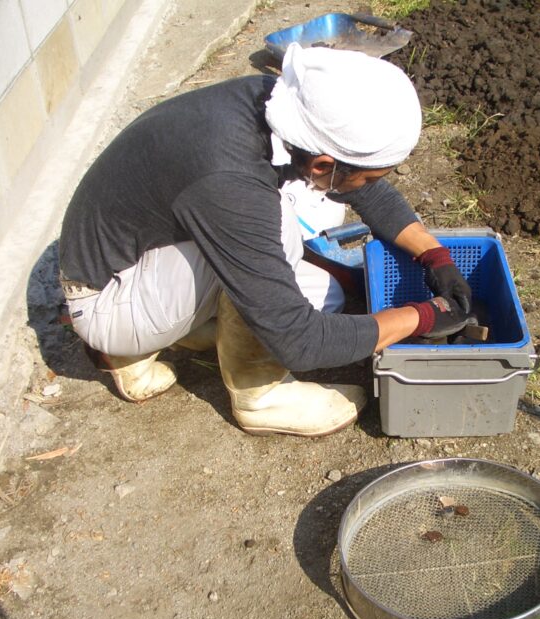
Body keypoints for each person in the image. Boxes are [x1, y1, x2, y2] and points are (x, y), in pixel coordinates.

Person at [58, 43, 473, 436]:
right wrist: (423, 316)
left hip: (144, 260)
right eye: (369, 176)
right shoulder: (229, 179)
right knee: (279, 229)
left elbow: (365, 189)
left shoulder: (280, 105)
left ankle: (179, 330)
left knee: (323, 296)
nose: (369, 185)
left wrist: (434, 256)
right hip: (107, 301)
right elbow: (300, 341)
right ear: (323, 164)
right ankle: (260, 397)